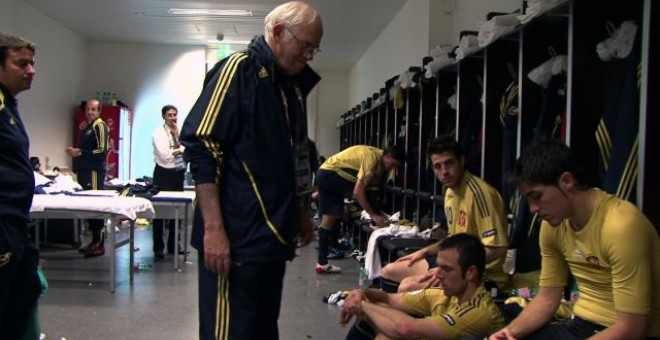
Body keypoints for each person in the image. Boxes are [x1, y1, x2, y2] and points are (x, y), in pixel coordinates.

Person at [179, 2, 322, 339]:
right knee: (230, 332)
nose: (309, 56)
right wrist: (213, 230)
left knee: (262, 328)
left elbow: (299, 155)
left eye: (314, 48)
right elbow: (203, 147)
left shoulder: (292, 88)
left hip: (272, 238)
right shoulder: (238, 70)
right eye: (305, 45)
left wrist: (302, 211)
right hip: (236, 237)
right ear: (276, 32)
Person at [490, 139, 660, 340]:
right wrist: (510, 333)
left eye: (537, 196)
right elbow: (546, 299)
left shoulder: (621, 225)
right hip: (581, 325)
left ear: (567, 181)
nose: (533, 209)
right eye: (528, 200)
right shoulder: (553, 226)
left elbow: (632, 328)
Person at [380, 136, 508, 292]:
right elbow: (454, 239)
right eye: (438, 166)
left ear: (461, 161)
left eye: (449, 163)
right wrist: (424, 251)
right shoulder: (450, 193)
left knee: (406, 287)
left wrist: (451, 269)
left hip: (479, 274)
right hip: (453, 263)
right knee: (389, 271)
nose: (444, 172)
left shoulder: (480, 194)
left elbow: (497, 249)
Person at [340, 233, 506, 339]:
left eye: (446, 269)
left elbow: (407, 328)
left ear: (470, 273)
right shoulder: (444, 295)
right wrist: (360, 294)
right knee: (375, 320)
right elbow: (388, 298)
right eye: (438, 266)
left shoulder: (479, 311)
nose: (438, 274)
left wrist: (362, 304)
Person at [0, 31, 43, 339]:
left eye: (31, 63)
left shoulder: (8, 104)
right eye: (21, 64)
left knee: (25, 291)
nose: (31, 70)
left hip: (15, 222)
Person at [315, 145, 405, 274]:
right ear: (389, 156)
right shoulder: (372, 158)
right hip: (331, 173)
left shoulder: (378, 160)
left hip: (324, 174)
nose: (393, 168)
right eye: (393, 164)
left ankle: (321, 263)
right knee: (369, 185)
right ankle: (376, 223)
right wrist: (374, 214)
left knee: (329, 218)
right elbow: (358, 191)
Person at [66, 98, 109, 257]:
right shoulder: (87, 127)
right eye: (88, 109)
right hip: (83, 171)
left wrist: (81, 153)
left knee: (97, 208)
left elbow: (102, 152)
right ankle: (94, 240)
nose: (90, 112)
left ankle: (100, 243)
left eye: (93, 109)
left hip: (94, 172)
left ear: (99, 111)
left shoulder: (100, 126)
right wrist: (76, 151)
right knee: (89, 209)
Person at [151, 104, 185, 259]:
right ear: (163, 116)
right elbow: (165, 155)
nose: (173, 118)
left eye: (175, 115)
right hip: (163, 173)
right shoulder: (159, 132)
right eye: (170, 115)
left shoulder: (178, 131)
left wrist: (180, 140)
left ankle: (174, 245)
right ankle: (158, 247)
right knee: (159, 212)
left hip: (178, 171)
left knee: (176, 210)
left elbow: (187, 146)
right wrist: (181, 149)